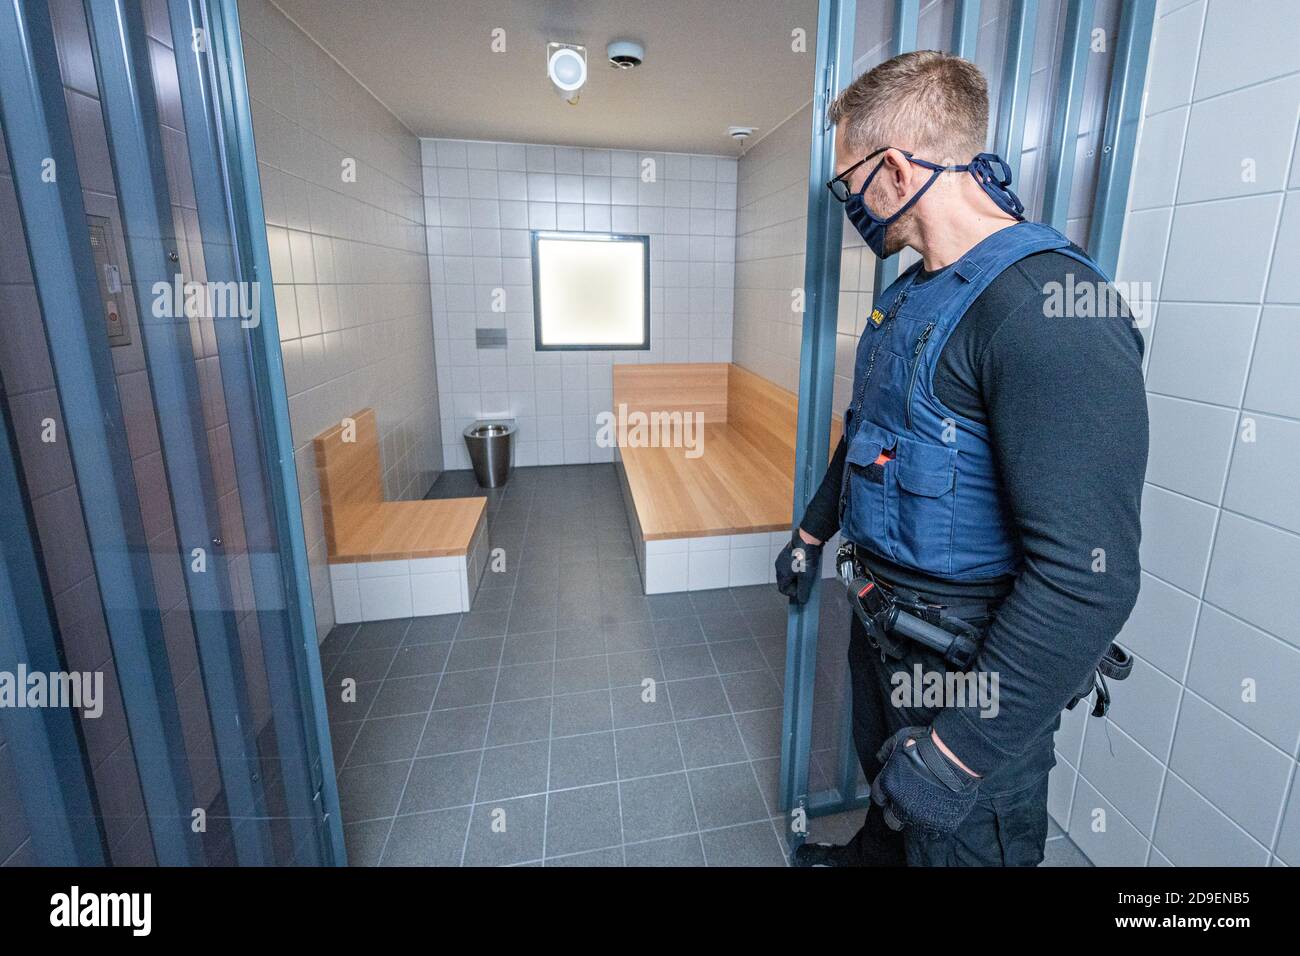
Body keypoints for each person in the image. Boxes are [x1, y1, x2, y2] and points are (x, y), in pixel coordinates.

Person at [775, 50, 1148, 867]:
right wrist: (811, 534)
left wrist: (956, 755)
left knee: (950, 831)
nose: (846, 203)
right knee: (886, 788)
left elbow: (1089, 579)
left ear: (898, 168)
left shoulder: (1049, 315)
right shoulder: (912, 294)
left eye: (848, 183)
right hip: (885, 628)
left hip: (975, 670)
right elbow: (871, 431)